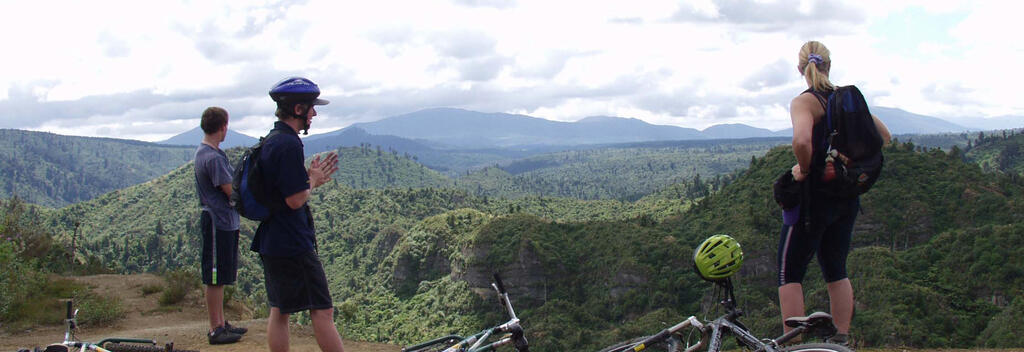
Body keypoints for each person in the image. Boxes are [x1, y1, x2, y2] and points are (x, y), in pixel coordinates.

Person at [777, 41, 891, 346]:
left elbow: (802, 141)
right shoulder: (846, 100)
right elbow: (884, 136)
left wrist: (804, 169)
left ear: (801, 68)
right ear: (829, 65)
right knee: (836, 270)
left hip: (813, 200)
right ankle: (840, 341)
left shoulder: (805, 102)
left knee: (789, 272)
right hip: (846, 197)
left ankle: (794, 345)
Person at [251, 77, 343, 352]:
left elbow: (283, 191)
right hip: (292, 242)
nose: (314, 113)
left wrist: (309, 180)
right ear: (298, 109)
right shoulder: (289, 144)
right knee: (323, 309)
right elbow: (294, 200)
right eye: (311, 108)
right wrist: (312, 180)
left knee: (280, 310)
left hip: (271, 239)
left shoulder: (272, 140)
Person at [193, 106, 248, 345]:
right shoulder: (213, 158)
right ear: (223, 127)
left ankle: (221, 323)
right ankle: (216, 328)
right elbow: (230, 190)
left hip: (222, 222)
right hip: (218, 222)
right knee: (215, 276)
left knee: (221, 275)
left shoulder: (208, 152)